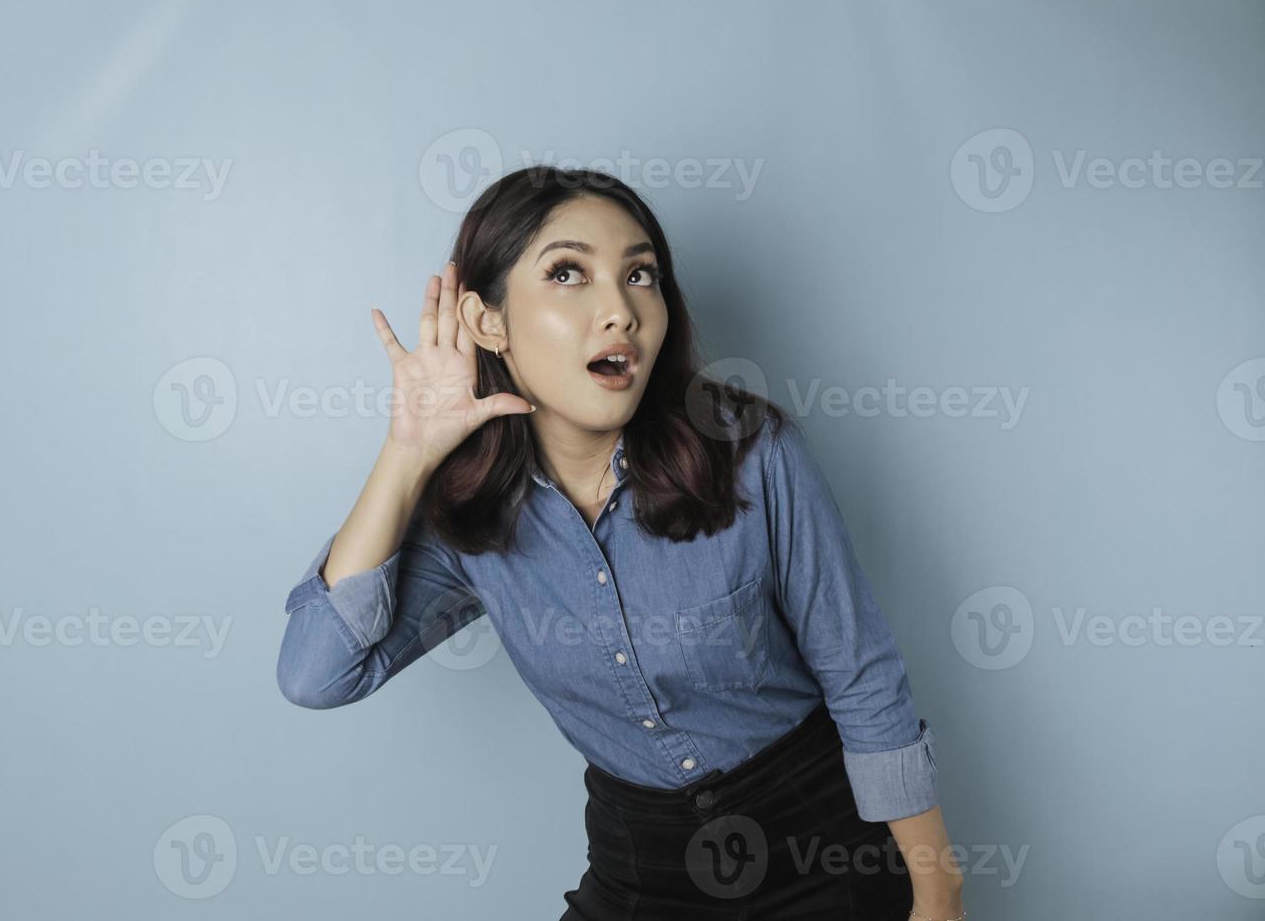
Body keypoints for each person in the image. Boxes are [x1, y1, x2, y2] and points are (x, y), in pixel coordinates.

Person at [277, 166, 966, 920]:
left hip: (820, 849)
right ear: (486, 322)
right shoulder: (468, 521)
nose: (621, 310)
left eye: (641, 275)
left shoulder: (751, 452)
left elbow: (861, 673)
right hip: (641, 868)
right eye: (568, 273)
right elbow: (318, 673)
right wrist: (407, 455)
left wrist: (935, 888)